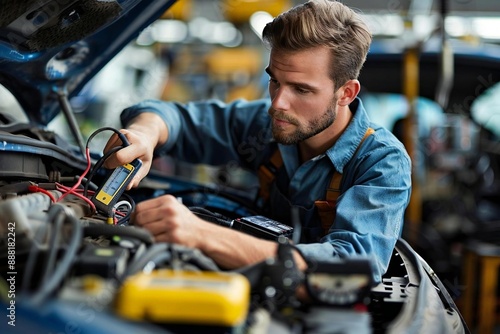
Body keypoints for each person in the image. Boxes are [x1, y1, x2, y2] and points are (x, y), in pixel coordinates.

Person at [103, 0, 412, 283]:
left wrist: (202, 234)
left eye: (301, 90)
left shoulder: (381, 163)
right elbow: (174, 118)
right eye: (274, 81)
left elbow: (352, 266)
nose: (278, 103)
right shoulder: (264, 126)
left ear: (346, 93)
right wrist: (145, 134)